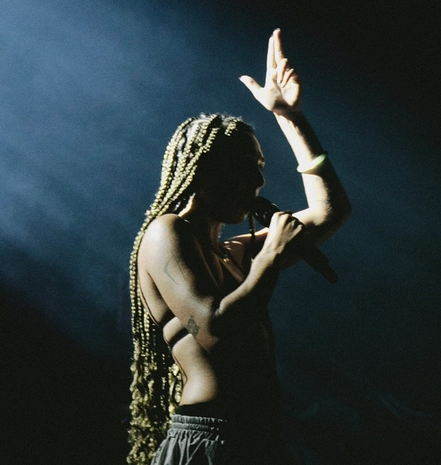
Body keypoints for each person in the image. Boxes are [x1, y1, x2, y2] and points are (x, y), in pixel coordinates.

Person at [127, 29, 352, 465]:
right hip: (210, 440)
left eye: (262, 169)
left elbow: (330, 209)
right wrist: (268, 258)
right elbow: (213, 331)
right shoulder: (166, 232)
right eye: (248, 168)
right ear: (206, 172)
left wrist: (290, 118)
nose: (260, 184)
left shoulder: (233, 253)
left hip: (254, 438)